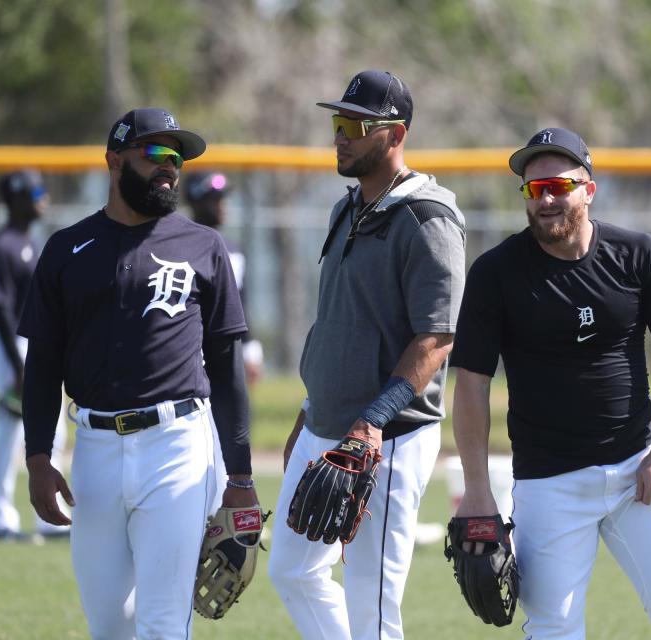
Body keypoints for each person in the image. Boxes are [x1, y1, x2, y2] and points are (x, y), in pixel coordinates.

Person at [449, 127, 651, 639]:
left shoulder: (639, 255)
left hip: (638, 469)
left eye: (557, 187)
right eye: (533, 189)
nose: (544, 199)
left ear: (588, 189)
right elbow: (472, 383)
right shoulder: (496, 273)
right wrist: (478, 491)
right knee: (552, 628)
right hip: (549, 481)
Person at [18, 107, 256, 639]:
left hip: (176, 446)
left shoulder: (203, 246)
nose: (168, 167)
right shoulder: (66, 249)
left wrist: (239, 478)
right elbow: (42, 365)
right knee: (108, 625)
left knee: (162, 623)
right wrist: (38, 457)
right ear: (113, 160)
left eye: (175, 157)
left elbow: (227, 369)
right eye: (153, 154)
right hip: (94, 452)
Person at [267, 70, 467, 639]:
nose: (342, 136)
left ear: (396, 133)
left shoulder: (428, 220)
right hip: (326, 425)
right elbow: (337, 321)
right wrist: (309, 414)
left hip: (390, 435)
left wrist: (372, 421)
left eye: (356, 125)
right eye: (338, 123)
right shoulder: (345, 209)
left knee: (371, 605)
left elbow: (436, 338)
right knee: (292, 571)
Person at [0, 169, 69, 542]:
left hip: (26, 344)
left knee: (52, 430)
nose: (42, 197)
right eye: (35, 191)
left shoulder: (30, 243)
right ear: (15, 197)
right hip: (5, 344)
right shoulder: (0, 245)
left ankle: (51, 517)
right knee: (8, 431)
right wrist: (18, 366)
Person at [184, 172, 264, 386]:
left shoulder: (234, 250)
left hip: (226, 354)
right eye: (214, 199)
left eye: (223, 199)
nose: (222, 205)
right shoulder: (178, 248)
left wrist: (251, 350)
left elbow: (240, 303)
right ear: (195, 202)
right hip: (188, 355)